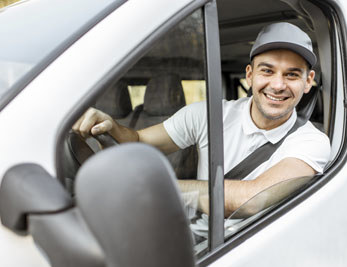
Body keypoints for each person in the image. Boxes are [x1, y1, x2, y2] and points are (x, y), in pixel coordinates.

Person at [73, 22, 331, 216]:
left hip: (254, 246)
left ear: (308, 82)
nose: (277, 85)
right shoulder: (207, 114)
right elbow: (139, 139)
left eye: (292, 75)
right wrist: (110, 126)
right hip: (198, 239)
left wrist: (152, 187)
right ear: (250, 75)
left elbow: (253, 199)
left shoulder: (312, 142)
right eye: (267, 71)